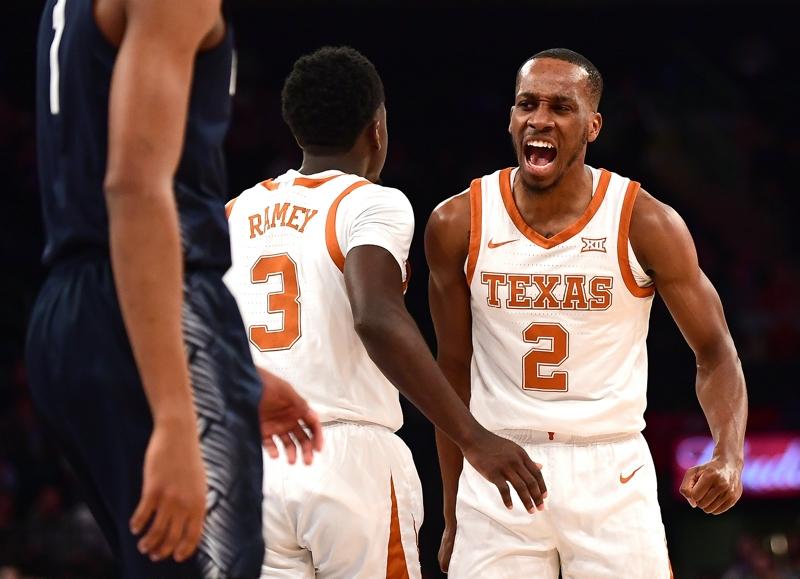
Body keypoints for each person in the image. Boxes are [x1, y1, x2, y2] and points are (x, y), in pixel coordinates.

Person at [223, 46, 547, 578]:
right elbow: (374, 314)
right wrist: (473, 437)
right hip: (347, 458)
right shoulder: (371, 202)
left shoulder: (236, 211)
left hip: (253, 459)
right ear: (377, 129)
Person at [426, 48, 748, 578]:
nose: (540, 119)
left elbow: (715, 351)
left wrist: (730, 454)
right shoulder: (457, 221)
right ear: (511, 117)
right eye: (527, 104)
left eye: (561, 107)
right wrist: (451, 509)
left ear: (592, 125)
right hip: (498, 466)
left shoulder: (646, 222)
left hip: (611, 469)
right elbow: (452, 371)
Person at [26, 1, 322, 577]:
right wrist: (176, 406)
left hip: (73, 307)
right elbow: (134, 187)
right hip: (153, 308)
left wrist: (225, 369)